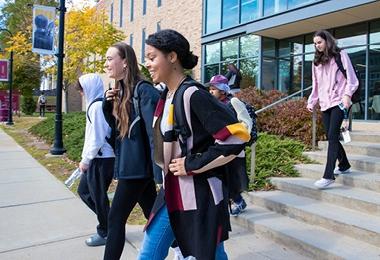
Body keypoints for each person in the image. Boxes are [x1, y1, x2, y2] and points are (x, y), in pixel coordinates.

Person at [138, 29, 250, 260]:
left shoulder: (193, 94)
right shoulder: (166, 96)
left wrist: (191, 163)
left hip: (197, 193)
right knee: (207, 252)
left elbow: (236, 137)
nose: (147, 64)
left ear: (172, 57)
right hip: (174, 190)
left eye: (152, 57)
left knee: (155, 254)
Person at [102, 42, 161, 260]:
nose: (106, 64)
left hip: (137, 170)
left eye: (110, 59)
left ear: (125, 62)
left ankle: (189, 250)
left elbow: (155, 134)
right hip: (133, 167)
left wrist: (160, 175)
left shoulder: (143, 91)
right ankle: (187, 250)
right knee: (153, 217)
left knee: (115, 218)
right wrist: (107, 107)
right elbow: (119, 134)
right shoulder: (121, 92)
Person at [307, 30, 358, 189]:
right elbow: (316, 85)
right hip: (324, 103)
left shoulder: (341, 55)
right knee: (332, 135)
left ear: (327, 41)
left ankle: (328, 175)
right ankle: (344, 165)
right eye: (315, 43)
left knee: (332, 135)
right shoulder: (316, 62)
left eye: (319, 42)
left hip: (339, 101)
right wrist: (312, 100)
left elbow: (352, 78)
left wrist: (347, 95)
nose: (317, 46)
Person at [75, 73, 115, 247]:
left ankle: (106, 231)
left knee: (96, 196)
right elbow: (92, 136)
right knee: (86, 192)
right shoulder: (96, 105)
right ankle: (111, 223)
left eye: (82, 90)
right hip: (99, 159)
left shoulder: (97, 107)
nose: (81, 93)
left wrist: (86, 160)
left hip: (102, 159)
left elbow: (97, 138)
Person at [208, 74, 249, 216]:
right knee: (221, 177)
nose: (211, 91)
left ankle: (238, 201)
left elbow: (246, 123)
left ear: (223, 90)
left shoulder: (234, 102)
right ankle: (233, 202)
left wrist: (235, 137)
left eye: (214, 89)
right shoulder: (214, 104)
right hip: (219, 147)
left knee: (232, 179)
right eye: (210, 89)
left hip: (233, 148)